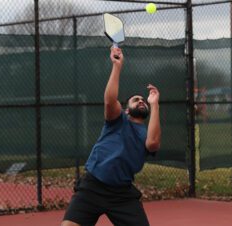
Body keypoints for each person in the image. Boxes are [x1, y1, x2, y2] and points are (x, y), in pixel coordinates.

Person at [62, 47, 161, 226]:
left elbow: (153, 143)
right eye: (136, 99)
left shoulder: (146, 135)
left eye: (143, 101)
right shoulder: (117, 119)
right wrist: (117, 66)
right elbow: (109, 100)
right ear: (125, 109)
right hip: (93, 186)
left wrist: (154, 104)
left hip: (122, 194)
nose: (141, 101)